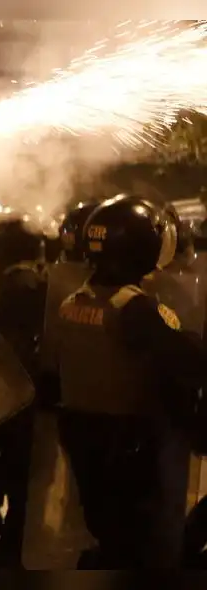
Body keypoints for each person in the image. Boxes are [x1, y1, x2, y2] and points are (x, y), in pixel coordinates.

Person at [40, 193, 207, 569]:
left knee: (109, 532)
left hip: (83, 434)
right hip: (127, 442)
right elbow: (190, 362)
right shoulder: (133, 308)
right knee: (137, 541)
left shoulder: (75, 300)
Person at [0, 216, 46, 567]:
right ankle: (11, 552)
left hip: (9, 379)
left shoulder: (11, 278)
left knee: (10, 460)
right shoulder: (26, 281)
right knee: (22, 468)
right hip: (18, 381)